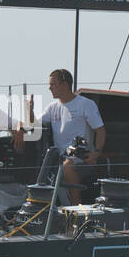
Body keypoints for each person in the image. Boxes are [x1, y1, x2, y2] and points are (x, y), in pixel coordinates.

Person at [32, 68, 106, 204]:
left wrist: (97, 153)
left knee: (67, 167)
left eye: (53, 84)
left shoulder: (85, 104)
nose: (49, 88)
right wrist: (29, 111)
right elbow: (34, 124)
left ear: (64, 85)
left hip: (82, 159)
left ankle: (75, 208)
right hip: (58, 159)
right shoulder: (52, 107)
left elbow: (100, 130)